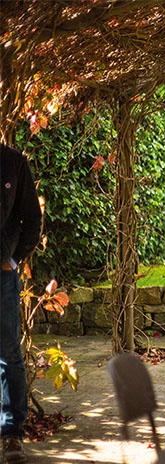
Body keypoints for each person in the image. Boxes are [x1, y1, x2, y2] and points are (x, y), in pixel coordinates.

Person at [1, 143, 42, 464]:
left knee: (9, 353)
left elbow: (31, 217)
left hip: (1, 276)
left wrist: (13, 259)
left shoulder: (13, 162)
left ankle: (11, 433)